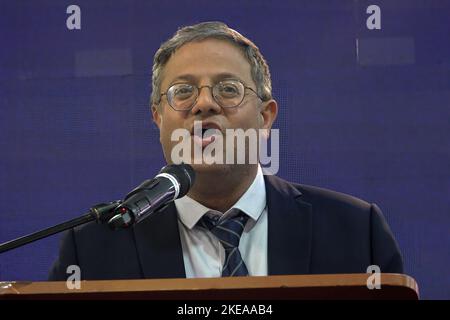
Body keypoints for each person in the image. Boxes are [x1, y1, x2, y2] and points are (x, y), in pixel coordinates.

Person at [49, 21, 403, 280]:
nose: (204, 103)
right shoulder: (95, 246)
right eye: (183, 91)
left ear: (265, 117)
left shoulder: (356, 231)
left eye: (228, 89)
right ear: (158, 118)